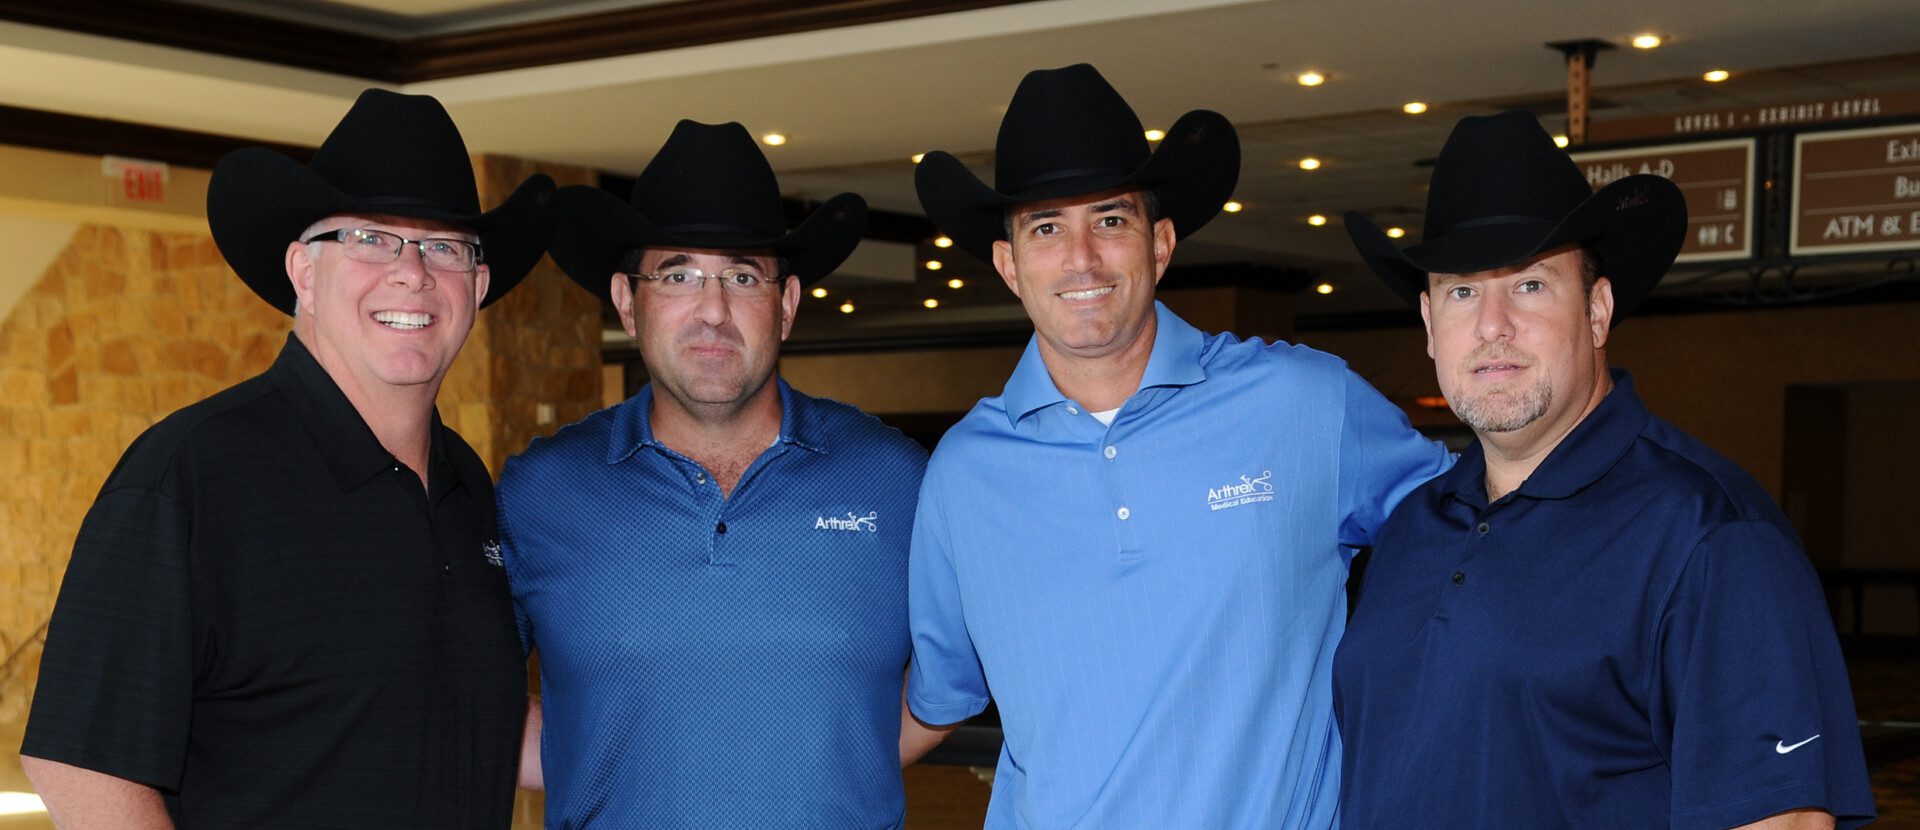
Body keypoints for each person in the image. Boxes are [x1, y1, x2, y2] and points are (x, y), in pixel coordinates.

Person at [906, 63, 1453, 827]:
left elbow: (1488, 537)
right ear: (1009, 266)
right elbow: (936, 697)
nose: (1082, 258)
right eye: (1046, 227)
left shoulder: (1304, 403)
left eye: (1111, 219)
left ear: (1160, 245)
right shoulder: (964, 473)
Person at [20, 89, 554, 827]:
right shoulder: (190, 476)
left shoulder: (468, 487)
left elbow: (460, 714)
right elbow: (79, 764)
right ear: (303, 272)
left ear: (478, 286)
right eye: (369, 238)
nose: (411, 272)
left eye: (443, 247)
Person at [1334, 110, 1876, 829]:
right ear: (1431, 324)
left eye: (1530, 285)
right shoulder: (1413, 526)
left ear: (1596, 310)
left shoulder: (1709, 536)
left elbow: (1784, 820)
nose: (1493, 324)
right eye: (1464, 290)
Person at [500, 119, 944, 827]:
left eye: (743, 276)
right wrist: (592, 762)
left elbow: (961, 671)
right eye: (678, 275)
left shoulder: (897, 479)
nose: (713, 310)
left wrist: (840, 759)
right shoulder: (540, 491)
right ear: (626, 301)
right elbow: (462, 691)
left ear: (787, 305)